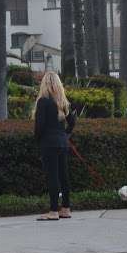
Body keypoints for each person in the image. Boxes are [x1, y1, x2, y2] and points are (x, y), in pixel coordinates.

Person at [33, 72, 76, 221]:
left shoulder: (43, 101)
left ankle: (53, 211)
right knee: (64, 176)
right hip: (62, 143)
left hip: (49, 143)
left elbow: (39, 126)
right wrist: (65, 134)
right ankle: (66, 208)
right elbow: (72, 122)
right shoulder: (62, 101)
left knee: (52, 176)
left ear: (44, 83)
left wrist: (37, 140)